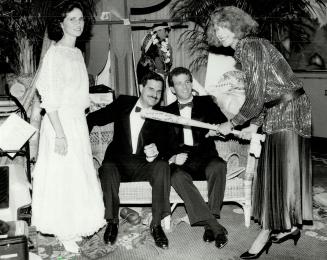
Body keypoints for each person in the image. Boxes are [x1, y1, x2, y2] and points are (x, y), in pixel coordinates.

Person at [206, 6, 312, 259]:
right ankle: (292, 225)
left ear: (237, 26)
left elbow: (254, 98)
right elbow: (264, 95)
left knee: (278, 172)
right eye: (216, 28)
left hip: (288, 110)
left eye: (225, 27)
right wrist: (253, 126)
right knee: (285, 170)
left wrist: (230, 124)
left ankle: (265, 234)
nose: (220, 33)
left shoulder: (250, 47)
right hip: (282, 108)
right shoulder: (250, 47)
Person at [31, 1, 106, 253]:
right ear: (61, 23)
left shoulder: (76, 53)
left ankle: (74, 226)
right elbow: (49, 99)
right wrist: (60, 135)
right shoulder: (55, 53)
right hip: (59, 125)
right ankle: (64, 231)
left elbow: (74, 92)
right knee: (62, 176)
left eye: (81, 19)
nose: (78, 23)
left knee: (78, 175)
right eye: (72, 19)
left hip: (76, 123)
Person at [86, 72, 171, 249]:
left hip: (144, 164)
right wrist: (80, 143)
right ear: (141, 87)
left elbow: (169, 144)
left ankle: (156, 224)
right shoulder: (123, 102)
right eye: (151, 89)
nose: (155, 94)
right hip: (119, 162)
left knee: (162, 166)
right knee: (107, 168)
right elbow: (94, 118)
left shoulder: (163, 115)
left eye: (159, 91)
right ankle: (112, 222)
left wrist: (158, 151)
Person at [163, 67, 228, 249]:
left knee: (219, 166)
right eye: (178, 83)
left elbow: (223, 124)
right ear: (172, 89)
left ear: (191, 83)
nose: (184, 87)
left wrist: (219, 128)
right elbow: (162, 145)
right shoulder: (165, 112)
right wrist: (174, 156)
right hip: (182, 161)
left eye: (187, 81)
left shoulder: (206, 102)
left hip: (206, 156)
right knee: (175, 176)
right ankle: (215, 226)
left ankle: (210, 222)